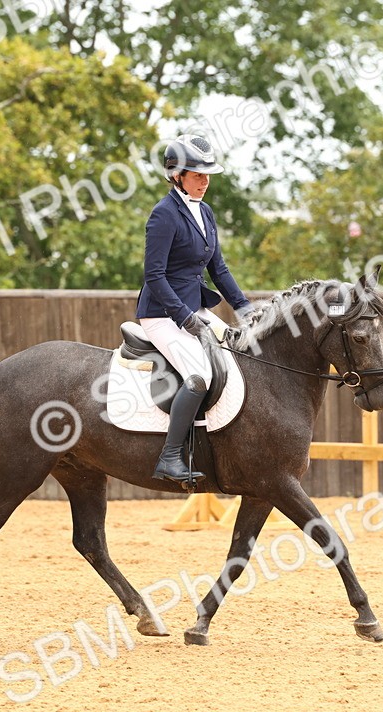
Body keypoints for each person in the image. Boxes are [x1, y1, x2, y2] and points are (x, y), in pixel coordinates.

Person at [135, 134, 253, 484]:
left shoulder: (205, 212)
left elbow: (219, 269)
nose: (205, 181)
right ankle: (170, 457)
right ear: (177, 175)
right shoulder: (164, 214)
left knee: (238, 353)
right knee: (199, 375)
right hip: (161, 313)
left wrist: (245, 308)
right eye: (197, 175)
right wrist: (184, 317)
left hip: (194, 308)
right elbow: (154, 275)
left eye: (207, 175)